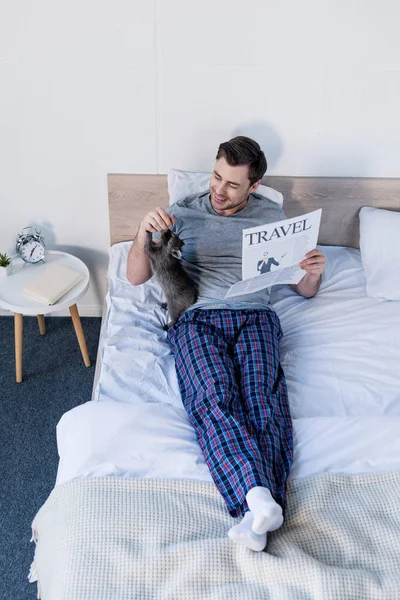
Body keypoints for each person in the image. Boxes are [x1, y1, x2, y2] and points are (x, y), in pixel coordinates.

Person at [126, 136, 326, 552]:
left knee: (262, 400)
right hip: (197, 316)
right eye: (216, 177)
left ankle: (256, 510)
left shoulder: (273, 216)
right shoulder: (181, 213)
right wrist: (143, 233)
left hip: (255, 315)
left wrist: (312, 272)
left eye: (233, 185)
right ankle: (259, 501)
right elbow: (134, 278)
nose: (219, 190)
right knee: (214, 395)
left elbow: (304, 291)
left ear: (253, 187)